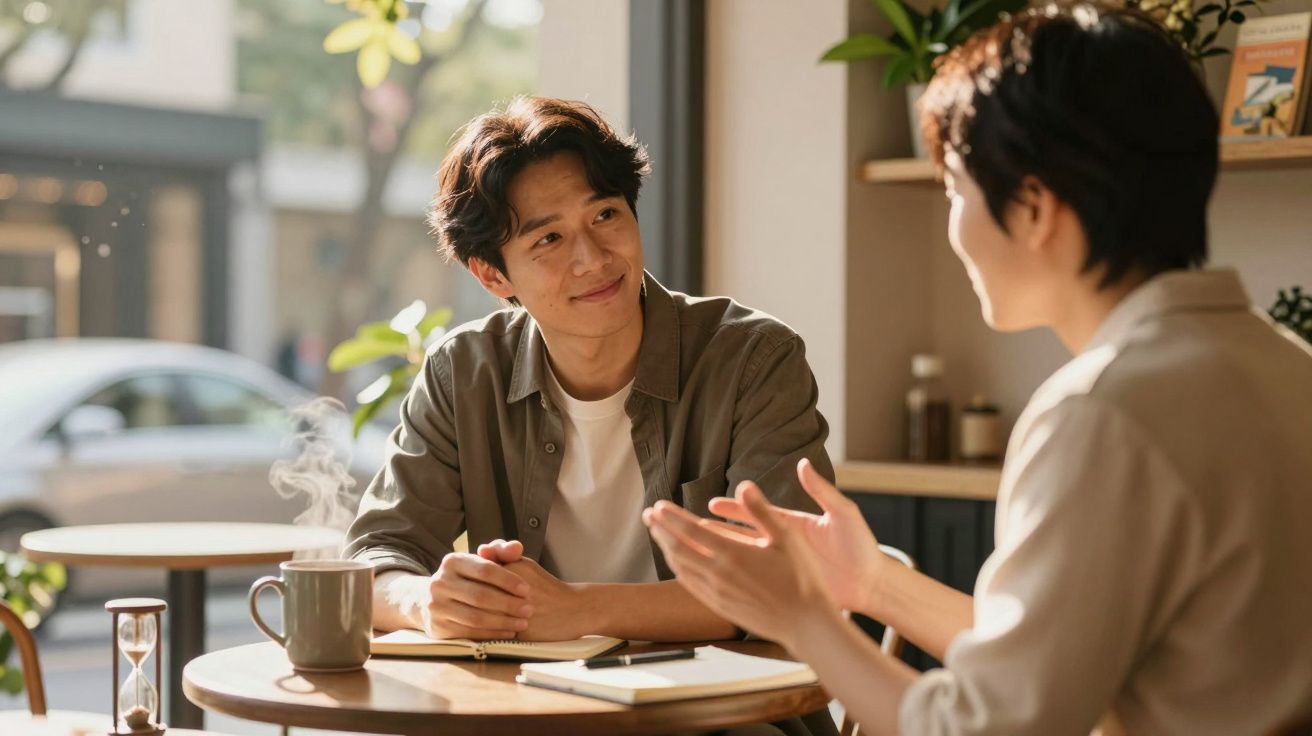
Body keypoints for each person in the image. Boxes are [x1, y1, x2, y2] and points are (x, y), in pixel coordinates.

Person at [644, 4, 1312, 734]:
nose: (952, 222)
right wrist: (870, 584)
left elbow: (984, 727)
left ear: (1032, 207)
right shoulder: (1284, 364)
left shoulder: (1103, 415)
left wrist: (801, 616)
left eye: (956, 189)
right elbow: (1048, 664)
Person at [343, 95, 833, 653]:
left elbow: (789, 582)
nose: (594, 259)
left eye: (605, 215)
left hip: (721, 713)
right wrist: (427, 602)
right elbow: (374, 560)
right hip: (531, 706)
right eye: (548, 239)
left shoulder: (752, 360)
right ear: (491, 275)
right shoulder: (463, 373)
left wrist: (578, 609)